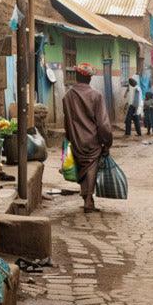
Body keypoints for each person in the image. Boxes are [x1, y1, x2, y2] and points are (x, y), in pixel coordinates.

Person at [62, 62, 114, 213]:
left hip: (75, 139)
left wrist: (69, 137)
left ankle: (86, 197)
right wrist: (107, 143)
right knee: (91, 167)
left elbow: (67, 121)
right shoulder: (96, 96)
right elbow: (103, 124)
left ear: (76, 77)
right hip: (92, 140)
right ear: (90, 79)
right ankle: (89, 199)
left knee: (82, 168)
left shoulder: (67, 96)